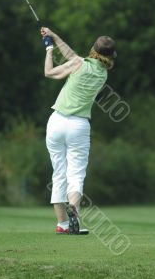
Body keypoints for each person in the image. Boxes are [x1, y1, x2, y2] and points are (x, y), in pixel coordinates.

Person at [40, 27, 116, 235]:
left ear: (92, 49)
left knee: (59, 173)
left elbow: (50, 72)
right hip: (79, 126)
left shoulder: (78, 63)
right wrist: (54, 36)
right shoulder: (103, 74)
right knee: (76, 173)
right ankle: (73, 207)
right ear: (110, 57)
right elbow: (72, 55)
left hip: (56, 122)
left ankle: (62, 224)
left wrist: (49, 49)